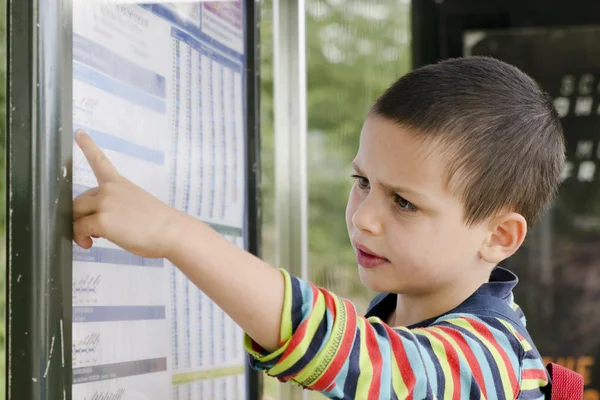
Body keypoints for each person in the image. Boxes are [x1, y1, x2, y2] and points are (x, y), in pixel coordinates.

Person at [73, 56, 565, 399]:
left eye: (405, 203)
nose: (364, 218)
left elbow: (366, 359)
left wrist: (176, 234)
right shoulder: (392, 315)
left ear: (498, 236)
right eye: (362, 181)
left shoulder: (490, 356)